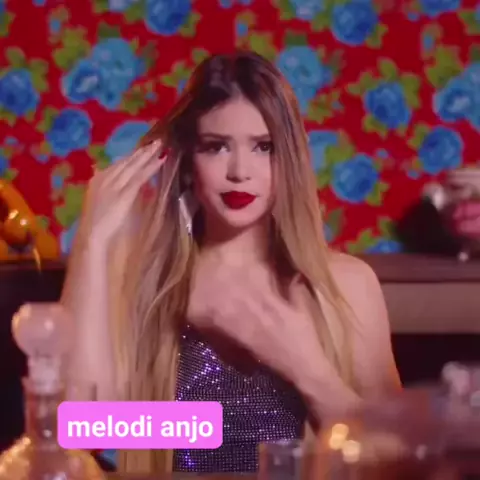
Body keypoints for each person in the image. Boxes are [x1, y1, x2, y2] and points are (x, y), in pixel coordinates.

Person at [61, 50, 401, 474]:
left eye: (263, 147)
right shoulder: (141, 281)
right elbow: (80, 432)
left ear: (290, 159)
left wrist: (308, 369)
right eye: (216, 146)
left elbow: (398, 457)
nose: (240, 171)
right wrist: (92, 244)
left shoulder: (347, 284)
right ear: (188, 161)